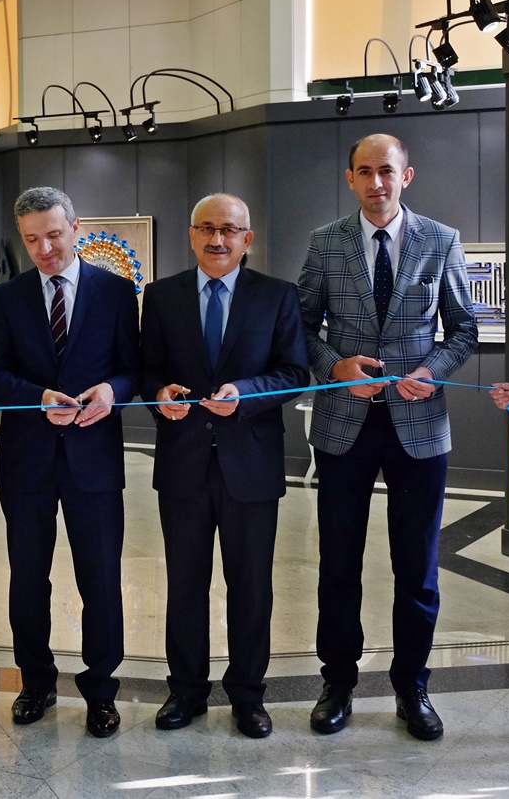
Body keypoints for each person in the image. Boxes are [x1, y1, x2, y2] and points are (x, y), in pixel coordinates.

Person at [298, 134, 477, 741]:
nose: (377, 182)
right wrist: (335, 367)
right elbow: (301, 326)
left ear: (407, 176)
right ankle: (337, 683)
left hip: (419, 427)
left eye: (387, 171)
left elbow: (464, 328)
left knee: (418, 569)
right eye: (365, 172)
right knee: (338, 565)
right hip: (343, 424)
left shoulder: (441, 240)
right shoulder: (325, 242)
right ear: (350, 178)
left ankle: (412, 687)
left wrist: (433, 369)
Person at [140, 193, 309, 739]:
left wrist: (247, 392)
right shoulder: (160, 296)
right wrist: (158, 393)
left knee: (251, 587)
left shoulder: (278, 296)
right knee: (185, 584)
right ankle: (186, 691)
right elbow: (146, 370)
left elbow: (294, 372)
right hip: (183, 463)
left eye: (229, 230)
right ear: (191, 235)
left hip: (251, 465)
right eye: (207, 229)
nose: (218, 239)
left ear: (247, 239)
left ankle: (248, 696)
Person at [0, 186, 139, 738]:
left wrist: (111, 391)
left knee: (101, 578)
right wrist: (37, 398)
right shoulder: (6, 298)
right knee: (28, 578)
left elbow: (132, 369)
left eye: (53, 235)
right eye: (31, 240)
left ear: (75, 228)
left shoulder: (116, 292)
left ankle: (101, 690)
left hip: (94, 458)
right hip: (27, 460)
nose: (44, 249)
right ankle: (35, 682)